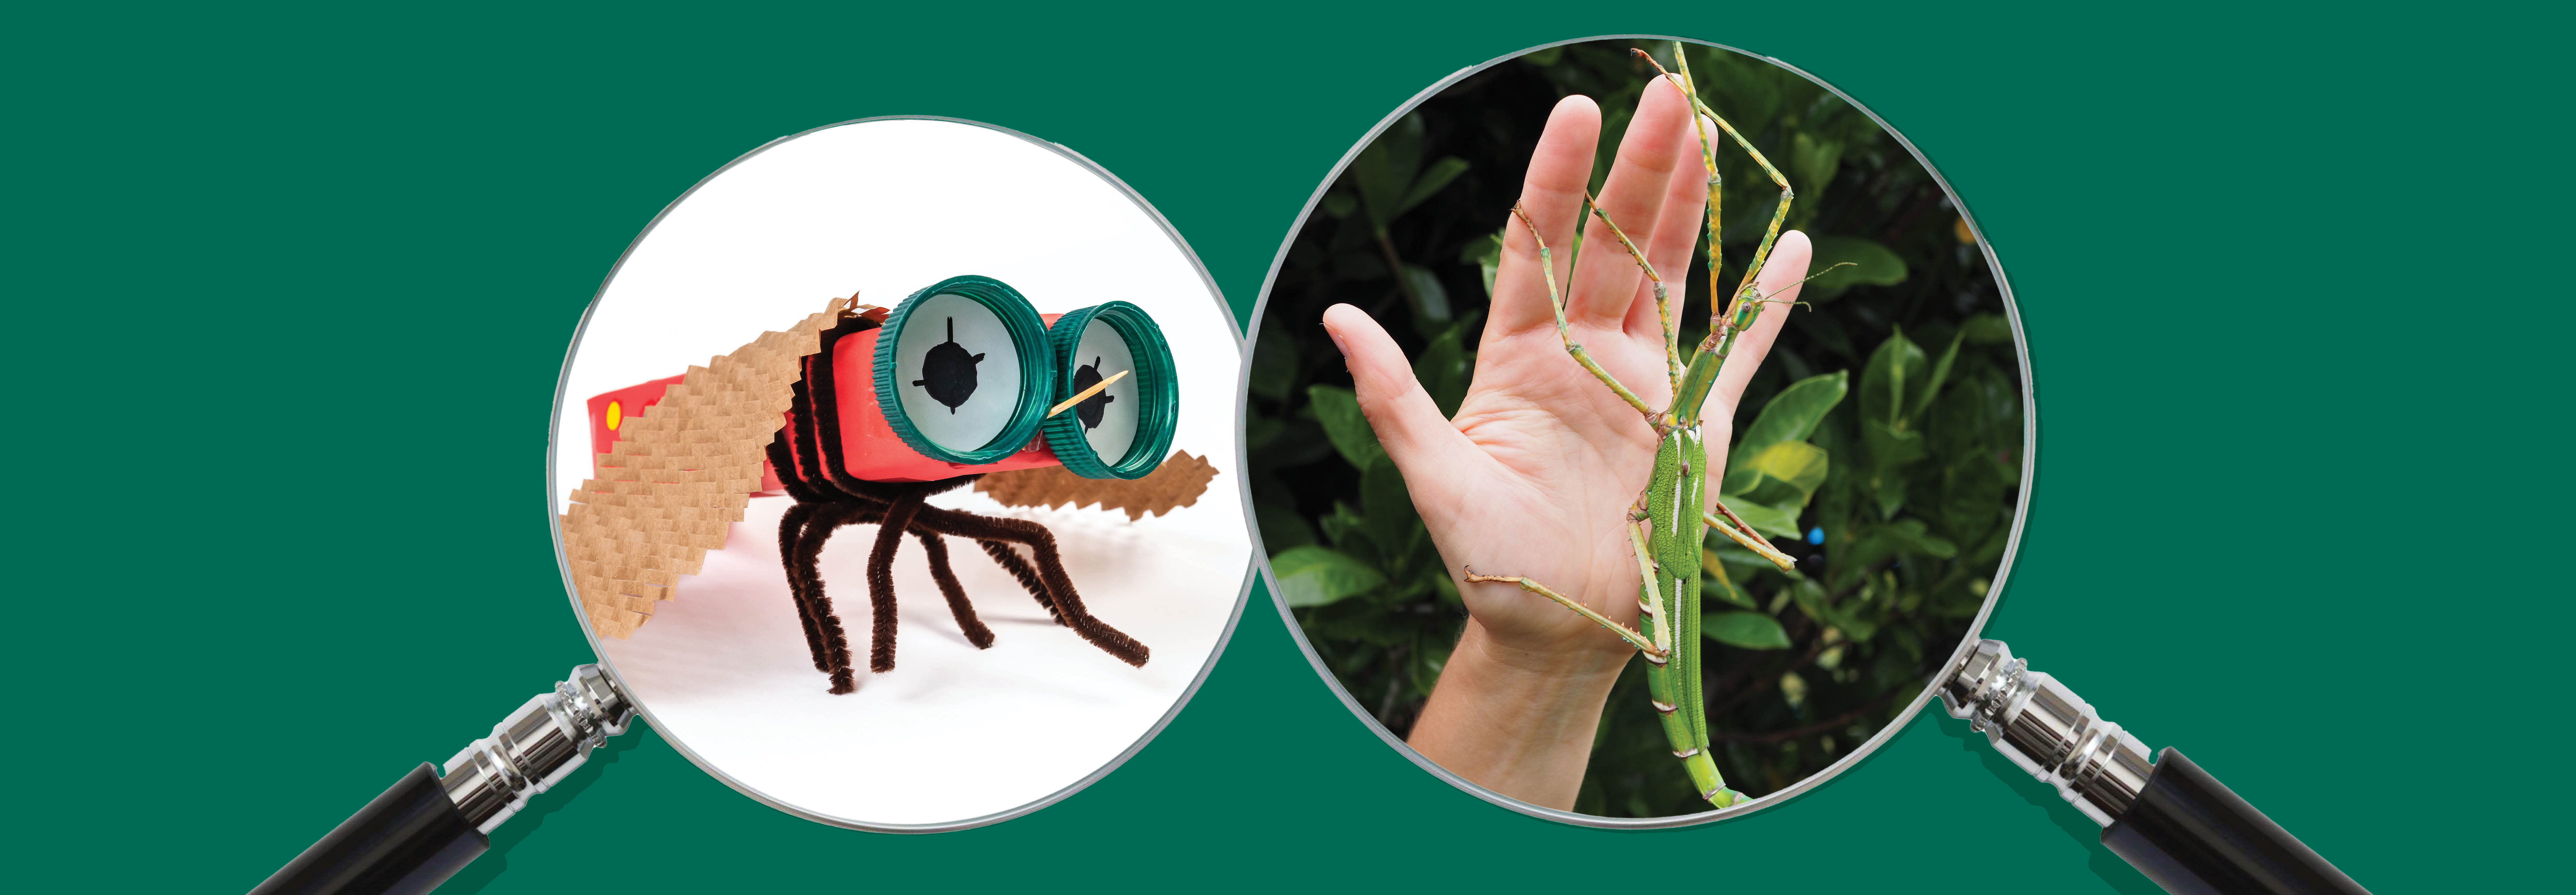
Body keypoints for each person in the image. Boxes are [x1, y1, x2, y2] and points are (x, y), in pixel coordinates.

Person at [1318, 78, 1813, 811]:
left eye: (1724, 328)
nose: (1721, 330)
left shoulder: (1679, 423)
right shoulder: (1675, 420)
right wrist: (1538, 662)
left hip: (1669, 622)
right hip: (1647, 578)